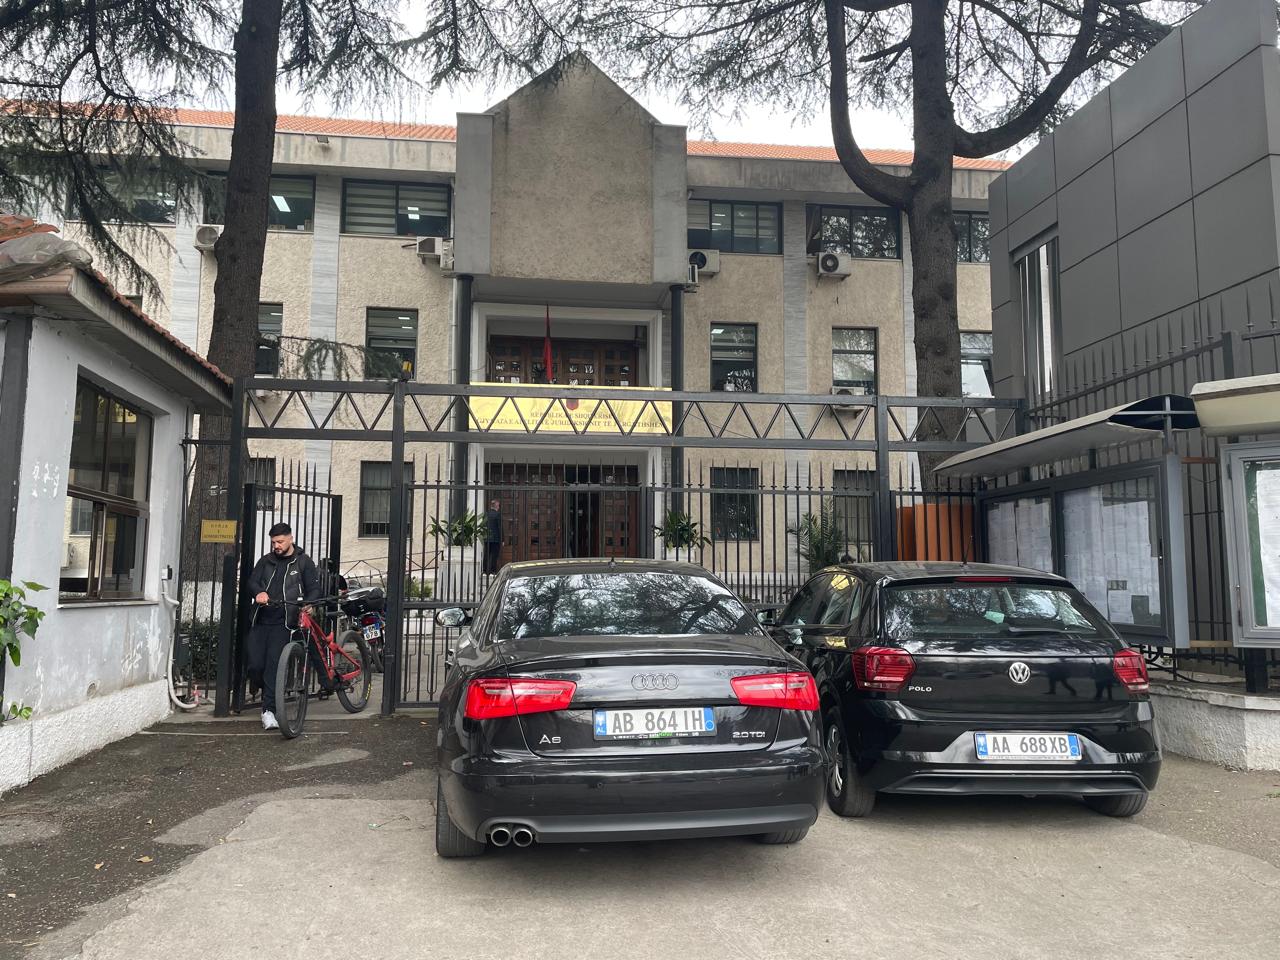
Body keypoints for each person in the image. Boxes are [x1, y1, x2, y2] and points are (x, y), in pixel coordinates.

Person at [245, 522, 321, 730]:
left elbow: (314, 589)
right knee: (255, 665)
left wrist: (308, 604)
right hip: (261, 619)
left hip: (285, 622)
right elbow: (252, 582)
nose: (276, 546)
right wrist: (259, 592)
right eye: (273, 542)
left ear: (290, 538)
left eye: (280, 541)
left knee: (273, 665)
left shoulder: (303, 562)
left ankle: (269, 711)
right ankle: (272, 689)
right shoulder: (266, 561)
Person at [483, 498, 502, 574]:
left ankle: (485, 570)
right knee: (494, 555)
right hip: (495, 539)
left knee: (486, 554)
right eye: (498, 506)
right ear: (496, 506)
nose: (499, 507)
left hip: (487, 538)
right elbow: (500, 527)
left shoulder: (486, 514)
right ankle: (493, 570)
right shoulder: (497, 514)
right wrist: (502, 539)